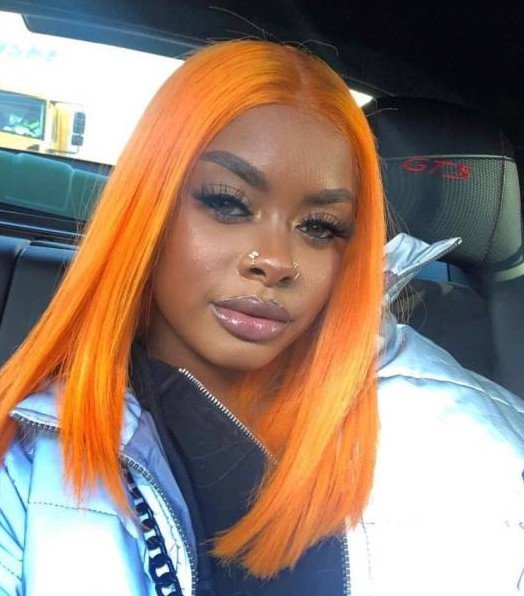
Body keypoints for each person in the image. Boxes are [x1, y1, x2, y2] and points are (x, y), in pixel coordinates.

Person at [0, 40, 522, 596]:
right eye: (227, 203)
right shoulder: (27, 459)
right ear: (148, 206)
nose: (275, 261)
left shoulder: (482, 454)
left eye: (320, 226)